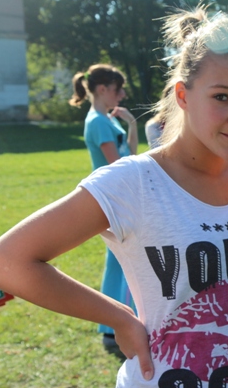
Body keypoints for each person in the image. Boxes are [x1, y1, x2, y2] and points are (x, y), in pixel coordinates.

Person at [0, 6, 228, 387]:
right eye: (222, 97)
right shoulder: (136, 181)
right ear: (183, 95)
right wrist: (118, 317)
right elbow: (6, 260)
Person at [69, 63, 138, 347]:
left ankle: (113, 326)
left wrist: (132, 124)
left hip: (118, 198)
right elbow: (119, 165)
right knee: (121, 263)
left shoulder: (106, 119)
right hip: (112, 200)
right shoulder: (97, 122)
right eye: (118, 89)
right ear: (102, 89)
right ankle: (113, 328)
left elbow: (130, 154)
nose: (122, 95)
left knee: (121, 262)